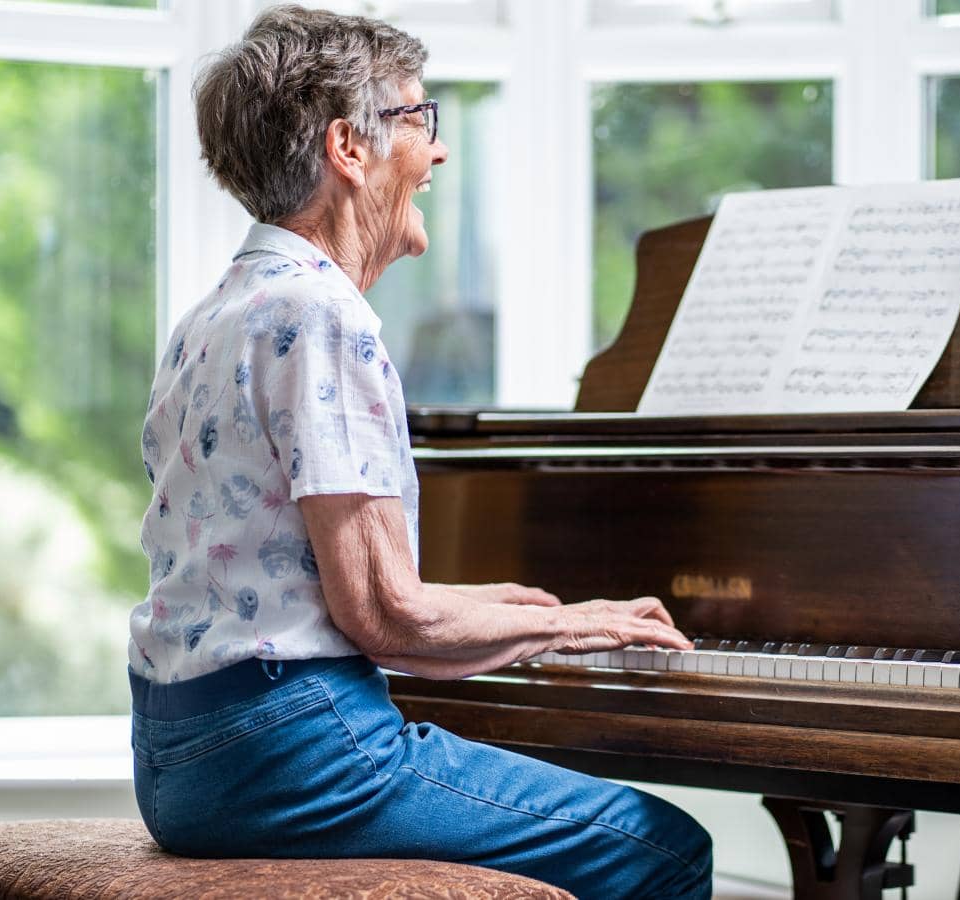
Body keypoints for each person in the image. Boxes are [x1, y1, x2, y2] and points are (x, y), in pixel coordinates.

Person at [125, 7, 713, 898]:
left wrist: (503, 607)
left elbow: (296, 581)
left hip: (177, 757)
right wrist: (566, 624)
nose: (437, 152)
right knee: (661, 848)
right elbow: (382, 617)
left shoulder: (216, 313)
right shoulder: (321, 314)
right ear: (347, 150)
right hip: (294, 751)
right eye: (418, 120)